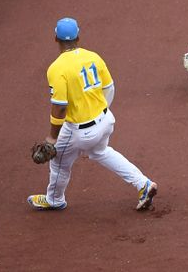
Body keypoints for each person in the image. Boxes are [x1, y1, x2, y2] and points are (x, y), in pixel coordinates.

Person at [27, 17, 158, 210]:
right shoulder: (93, 56)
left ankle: (55, 200)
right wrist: (100, 112)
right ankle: (143, 184)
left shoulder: (57, 68)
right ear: (78, 36)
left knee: (58, 163)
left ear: (56, 37)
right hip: (105, 121)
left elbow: (60, 106)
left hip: (78, 130)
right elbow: (109, 87)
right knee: (101, 152)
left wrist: (52, 138)